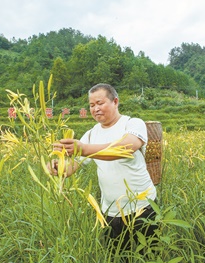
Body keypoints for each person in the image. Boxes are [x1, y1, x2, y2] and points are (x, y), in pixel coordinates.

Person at [51, 83, 158, 250]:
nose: (95, 109)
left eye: (100, 103)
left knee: (149, 257)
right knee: (116, 261)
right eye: (92, 105)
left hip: (142, 207)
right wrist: (58, 166)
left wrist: (84, 149)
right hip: (110, 211)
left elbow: (125, 148)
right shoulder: (92, 134)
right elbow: (72, 167)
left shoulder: (132, 123)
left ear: (115, 102)